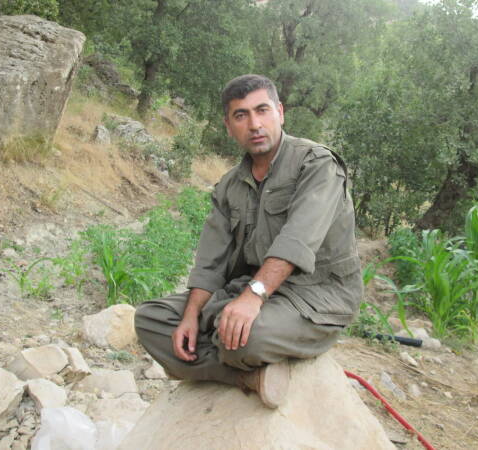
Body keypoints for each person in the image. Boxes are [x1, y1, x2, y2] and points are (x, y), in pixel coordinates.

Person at [134, 74, 362, 408]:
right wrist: (191, 315)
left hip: (317, 296)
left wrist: (252, 297)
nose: (254, 124)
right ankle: (246, 376)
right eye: (241, 115)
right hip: (249, 291)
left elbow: (297, 240)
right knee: (151, 319)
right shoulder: (229, 186)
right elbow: (211, 262)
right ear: (229, 126)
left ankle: (221, 352)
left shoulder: (317, 164)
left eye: (262, 110)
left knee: (246, 338)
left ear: (280, 112)